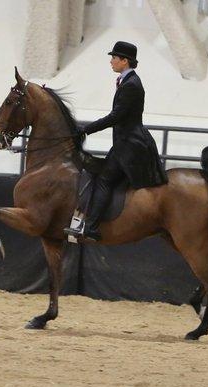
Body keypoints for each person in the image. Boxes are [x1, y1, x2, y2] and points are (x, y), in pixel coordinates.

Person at [65, 41, 168, 241]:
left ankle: (91, 227)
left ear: (125, 61)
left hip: (129, 145)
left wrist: (86, 129)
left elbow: (115, 116)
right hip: (124, 143)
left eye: (114, 58)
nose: (111, 61)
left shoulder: (131, 85)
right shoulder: (127, 81)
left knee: (104, 179)